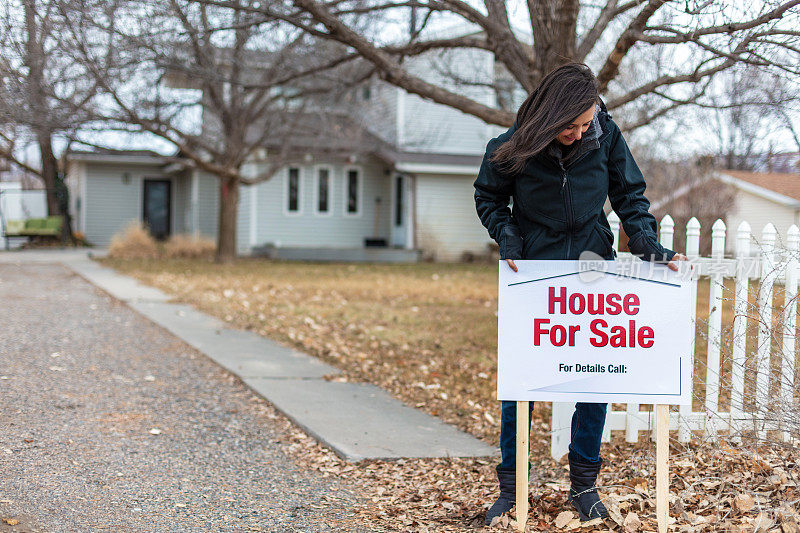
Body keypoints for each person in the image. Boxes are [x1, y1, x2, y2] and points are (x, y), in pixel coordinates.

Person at [473, 62, 688, 526]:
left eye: (585, 123)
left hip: (593, 275)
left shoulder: (606, 136)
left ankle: (584, 486)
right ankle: (512, 490)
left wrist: (648, 245)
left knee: (595, 379)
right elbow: (488, 198)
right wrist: (509, 238)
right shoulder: (512, 145)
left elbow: (631, 197)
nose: (578, 133)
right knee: (521, 386)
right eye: (569, 126)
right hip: (534, 275)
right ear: (549, 120)